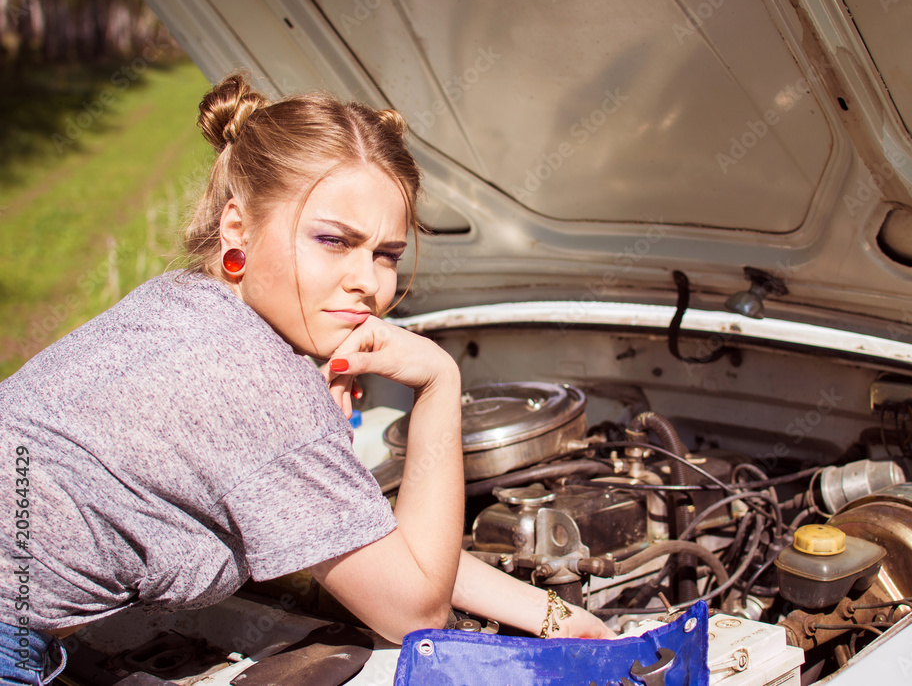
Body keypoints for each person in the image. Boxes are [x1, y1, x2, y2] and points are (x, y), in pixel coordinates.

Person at [0, 73, 612, 684]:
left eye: (386, 254)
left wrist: (554, 614)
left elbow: (360, 539)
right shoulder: (255, 379)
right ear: (237, 229)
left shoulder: (181, 304)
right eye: (332, 241)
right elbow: (416, 615)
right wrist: (439, 384)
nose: (368, 282)